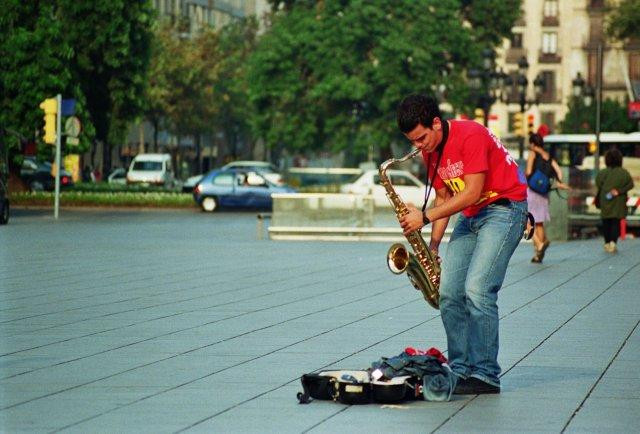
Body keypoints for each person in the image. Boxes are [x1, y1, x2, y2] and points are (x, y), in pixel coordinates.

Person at [396, 94, 528, 395]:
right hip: (472, 216)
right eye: (412, 142)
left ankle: (485, 374)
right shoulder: (431, 151)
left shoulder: (471, 134)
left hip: (505, 208)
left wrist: (424, 217)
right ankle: (461, 368)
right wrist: (432, 246)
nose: (418, 146)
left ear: (436, 124)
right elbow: (445, 199)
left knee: (478, 289)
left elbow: (471, 192)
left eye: (421, 138)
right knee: (449, 292)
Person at [525, 133, 570, 263]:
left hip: (532, 191)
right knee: (539, 223)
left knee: (526, 220)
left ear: (533, 144)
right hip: (544, 193)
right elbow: (559, 171)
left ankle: (539, 243)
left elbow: (528, 172)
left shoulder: (533, 153)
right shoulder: (548, 156)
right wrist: (558, 182)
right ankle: (538, 255)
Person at [595, 148, 634, 253]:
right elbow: (630, 184)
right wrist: (619, 191)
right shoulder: (624, 173)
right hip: (619, 201)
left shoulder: (602, 173)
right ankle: (613, 243)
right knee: (615, 222)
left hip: (605, 200)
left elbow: (598, 183)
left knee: (606, 222)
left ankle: (607, 243)